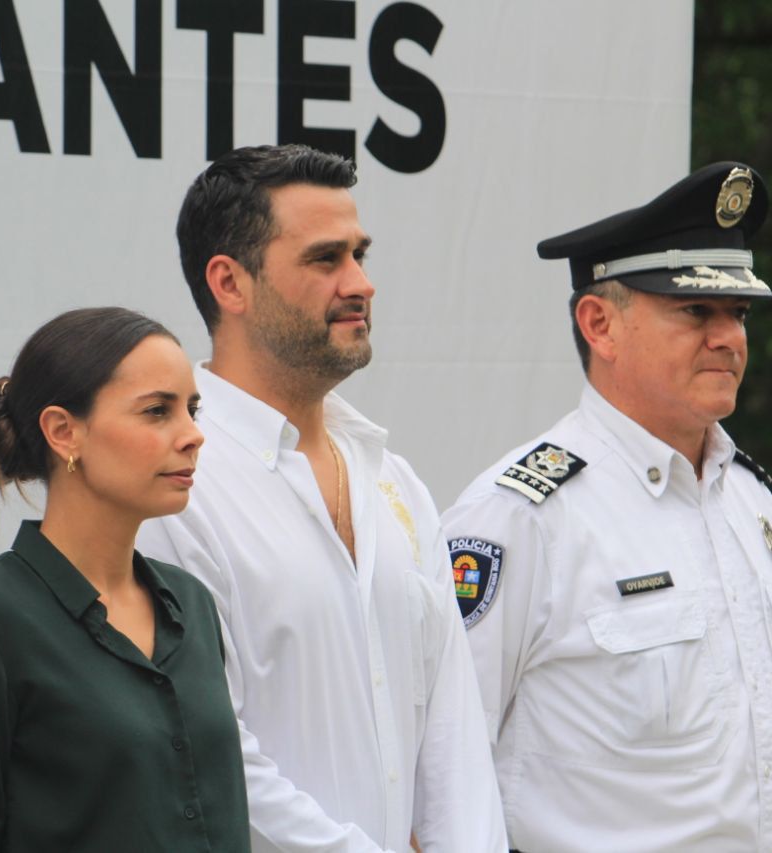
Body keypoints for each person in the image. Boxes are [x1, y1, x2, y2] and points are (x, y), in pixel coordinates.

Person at [136, 144, 506, 853]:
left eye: (359, 254)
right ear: (230, 282)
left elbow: (455, 734)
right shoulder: (176, 484)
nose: (361, 283)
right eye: (325, 259)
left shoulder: (393, 480)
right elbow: (205, 744)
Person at [442, 162, 772, 852]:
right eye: (695, 311)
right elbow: (439, 769)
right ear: (599, 325)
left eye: (738, 313)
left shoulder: (751, 498)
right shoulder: (520, 517)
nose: (729, 338)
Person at [0, 307, 250, 852]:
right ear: (63, 432)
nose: (193, 435)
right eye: (157, 411)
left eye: (191, 410)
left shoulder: (191, 603)